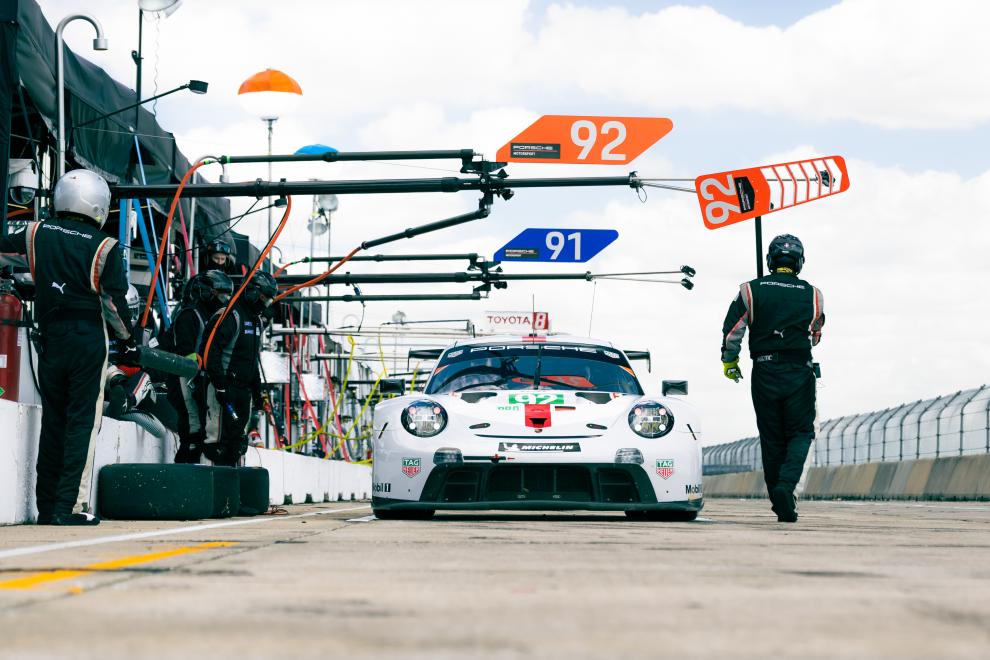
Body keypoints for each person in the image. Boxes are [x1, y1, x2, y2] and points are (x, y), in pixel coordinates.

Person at [0, 169, 135, 526]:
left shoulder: (36, 232)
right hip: (87, 339)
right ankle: (68, 508)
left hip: (49, 338)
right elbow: (113, 306)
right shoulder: (104, 246)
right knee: (81, 424)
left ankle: (47, 508)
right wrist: (128, 339)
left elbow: (4, 248)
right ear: (98, 204)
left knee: (54, 422)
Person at [720, 234, 825, 523]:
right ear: (800, 262)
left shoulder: (749, 290)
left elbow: (732, 331)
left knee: (771, 437)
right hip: (798, 371)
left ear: (770, 260)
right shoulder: (814, 294)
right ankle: (785, 488)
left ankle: (777, 498)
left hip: (763, 371)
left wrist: (729, 361)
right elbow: (815, 335)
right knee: (801, 433)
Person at [201, 270, 275, 466]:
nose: (265, 304)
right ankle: (212, 488)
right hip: (224, 388)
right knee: (217, 442)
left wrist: (258, 394)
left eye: (268, 301)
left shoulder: (257, 321)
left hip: (244, 391)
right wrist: (220, 385)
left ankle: (231, 492)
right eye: (263, 299)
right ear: (253, 292)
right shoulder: (231, 315)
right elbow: (211, 351)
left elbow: (253, 360)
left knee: (237, 443)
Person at [163, 270, 232, 463]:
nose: (224, 300)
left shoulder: (215, 318)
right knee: (192, 432)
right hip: (184, 381)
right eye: (222, 295)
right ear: (207, 293)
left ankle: (193, 472)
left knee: (202, 432)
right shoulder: (189, 315)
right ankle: (183, 473)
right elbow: (184, 350)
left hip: (200, 383)